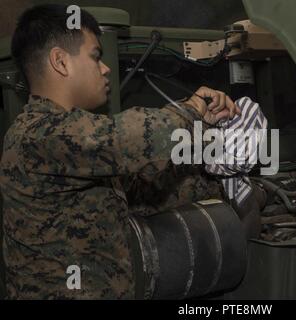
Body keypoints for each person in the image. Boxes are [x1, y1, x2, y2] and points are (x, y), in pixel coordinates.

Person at [0, 4, 240, 299]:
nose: (105, 68)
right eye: (95, 56)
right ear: (61, 62)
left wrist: (222, 180)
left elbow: (141, 194)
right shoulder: (39, 135)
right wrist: (191, 109)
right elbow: (141, 137)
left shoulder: (75, 148)